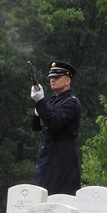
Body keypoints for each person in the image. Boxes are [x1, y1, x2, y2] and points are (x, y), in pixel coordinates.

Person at [30, 60, 82, 196]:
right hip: (47, 160)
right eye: (51, 78)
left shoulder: (71, 102)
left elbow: (54, 123)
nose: (53, 80)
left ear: (67, 80)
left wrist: (40, 102)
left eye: (57, 77)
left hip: (62, 162)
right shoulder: (53, 101)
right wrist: (38, 108)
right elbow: (35, 127)